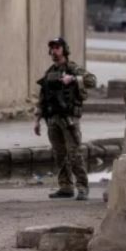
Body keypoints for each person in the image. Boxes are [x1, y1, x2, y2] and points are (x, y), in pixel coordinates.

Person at [35, 37, 97, 201]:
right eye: (52, 48)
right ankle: (66, 187)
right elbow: (43, 97)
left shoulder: (72, 68)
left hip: (69, 120)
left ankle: (82, 187)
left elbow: (92, 80)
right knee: (59, 154)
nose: (54, 51)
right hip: (53, 120)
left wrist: (74, 79)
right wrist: (37, 119)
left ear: (64, 50)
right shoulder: (49, 73)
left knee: (74, 154)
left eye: (57, 47)